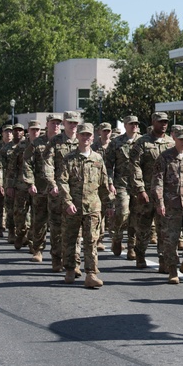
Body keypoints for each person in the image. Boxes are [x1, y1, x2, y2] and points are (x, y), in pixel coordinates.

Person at [57, 120, 112, 287]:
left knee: (91, 241)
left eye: (88, 135)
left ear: (92, 137)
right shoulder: (69, 159)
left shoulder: (97, 159)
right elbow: (62, 181)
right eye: (82, 135)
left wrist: (108, 204)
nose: (85, 138)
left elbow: (103, 184)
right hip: (73, 206)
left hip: (93, 207)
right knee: (70, 238)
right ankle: (70, 269)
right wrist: (67, 201)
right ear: (78, 137)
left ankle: (91, 274)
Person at [151, 125, 183, 284]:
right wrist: (160, 202)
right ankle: (172, 270)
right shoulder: (165, 157)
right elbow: (157, 182)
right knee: (170, 239)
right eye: (181, 139)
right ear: (175, 139)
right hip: (171, 205)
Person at [129, 112, 175, 270]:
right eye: (160, 122)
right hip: (147, 192)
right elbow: (134, 166)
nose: (163, 125)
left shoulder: (171, 142)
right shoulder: (142, 142)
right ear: (153, 122)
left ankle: (163, 259)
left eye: (166, 122)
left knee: (164, 227)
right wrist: (140, 189)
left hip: (165, 193)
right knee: (143, 227)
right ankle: (140, 254)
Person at [22, 114, 63, 266]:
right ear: (47, 124)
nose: (56, 125)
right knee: (39, 220)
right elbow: (27, 163)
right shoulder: (37, 143)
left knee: (57, 223)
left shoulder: (64, 141)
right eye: (53, 123)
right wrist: (30, 182)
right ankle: (38, 249)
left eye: (58, 123)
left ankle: (57, 254)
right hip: (40, 187)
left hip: (59, 190)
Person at [105, 115, 140, 259]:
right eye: (131, 124)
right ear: (125, 125)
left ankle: (132, 246)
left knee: (136, 216)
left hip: (139, 184)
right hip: (121, 184)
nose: (134, 126)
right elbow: (108, 164)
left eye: (136, 124)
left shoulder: (143, 141)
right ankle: (117, 236)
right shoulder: (116, 142)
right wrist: (110, 181)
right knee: (123, 212)